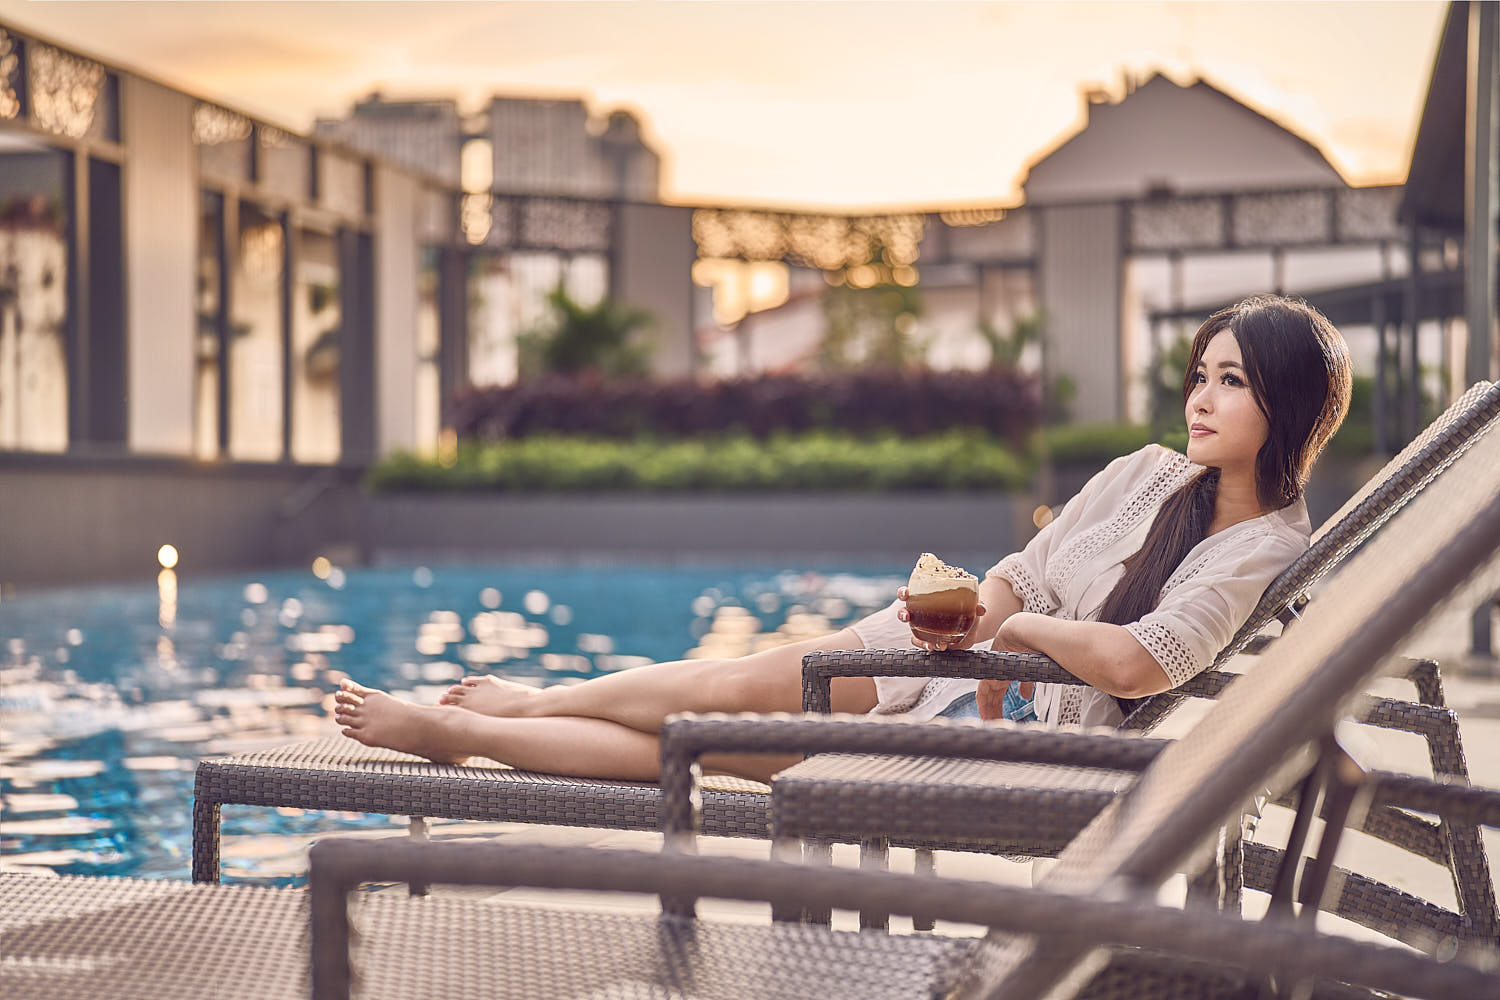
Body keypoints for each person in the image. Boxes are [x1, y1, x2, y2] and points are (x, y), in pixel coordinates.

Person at [334, 294, 1352, 783]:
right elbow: (1025, 571)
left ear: (1293, 403)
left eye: (1231, 381)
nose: (1201, 397)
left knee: (706, 749)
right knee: (734, 681)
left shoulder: (1260, 548)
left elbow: (1135, 664)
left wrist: (1019, 633)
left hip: (1013, 738)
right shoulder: (1147, 472)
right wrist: (976, 615)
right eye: (1201, 374)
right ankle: (535, 702)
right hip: (958, 657)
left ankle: (466, 734)